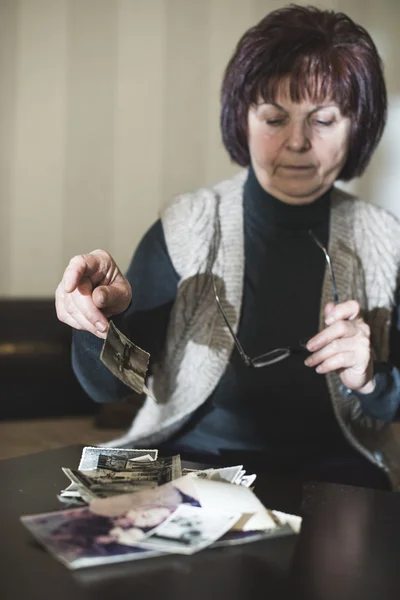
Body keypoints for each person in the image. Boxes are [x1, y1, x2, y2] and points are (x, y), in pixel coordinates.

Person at [56, 5, 400, 491]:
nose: (298, 142)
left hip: (334, 471)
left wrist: (370, 377)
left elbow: (391, 399)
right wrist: (95, 322)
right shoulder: (187, 224)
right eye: (275, 118)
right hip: (193, 462)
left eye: (322, 120)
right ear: (243, 119)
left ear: (358, 125)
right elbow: (106, 388)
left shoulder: (385, 239)